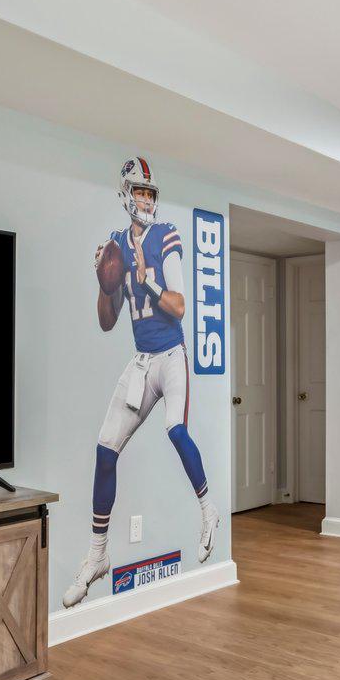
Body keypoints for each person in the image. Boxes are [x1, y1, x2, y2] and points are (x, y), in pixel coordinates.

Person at [63, 156, 219, 608]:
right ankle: (97, 556)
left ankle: (208, 513)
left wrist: (147, 285)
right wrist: (103, 283)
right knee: (105, 450)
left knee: (175, 428)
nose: (146, 200)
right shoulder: (114, 244)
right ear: (125, 194)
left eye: (151, 193)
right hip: (141, 361)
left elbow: (179, 305)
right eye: (140, 192)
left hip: (171, 355)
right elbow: (107, 322)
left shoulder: (164, 236)